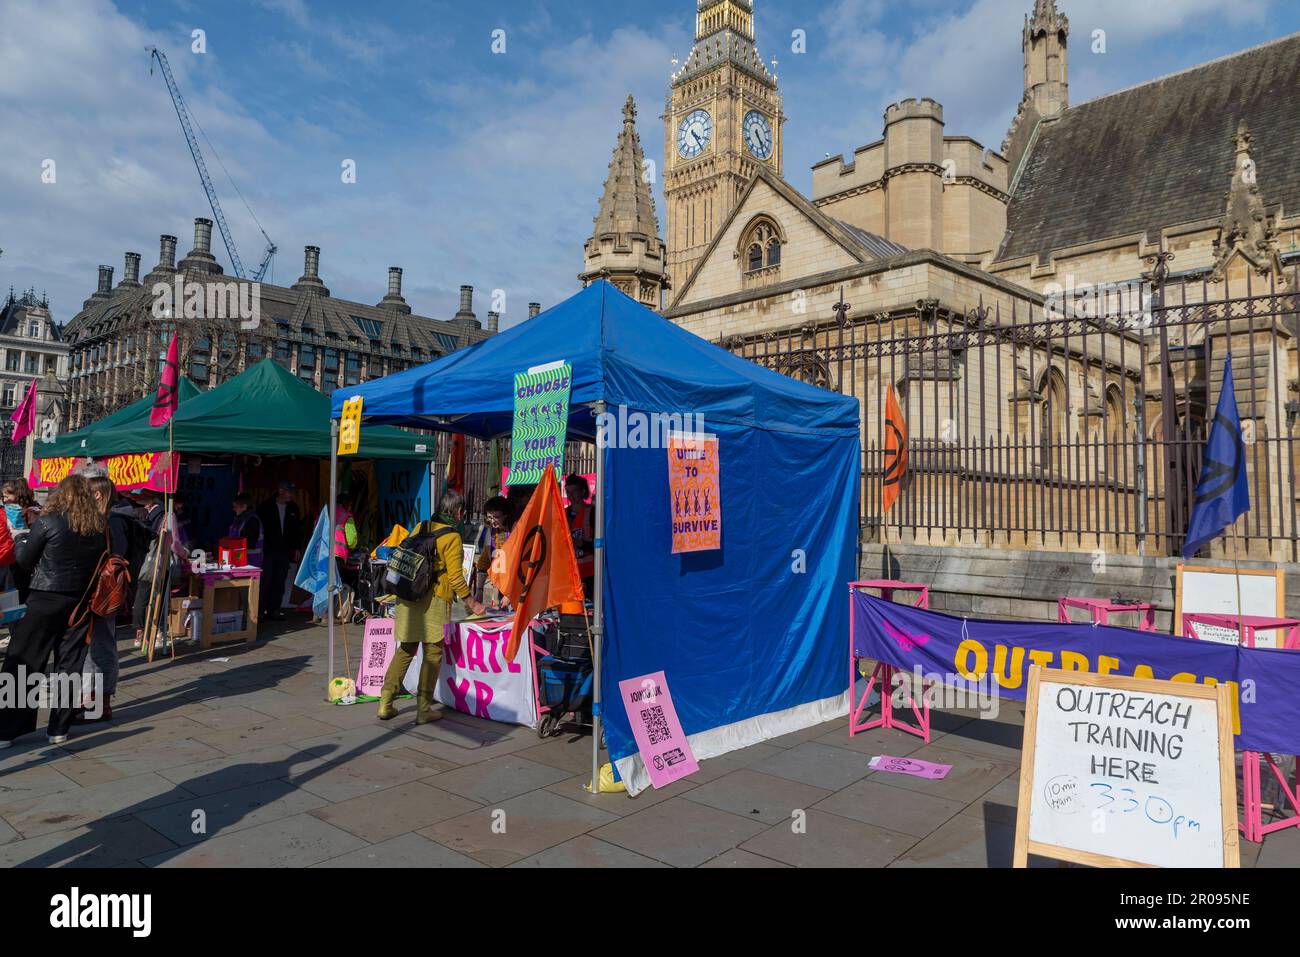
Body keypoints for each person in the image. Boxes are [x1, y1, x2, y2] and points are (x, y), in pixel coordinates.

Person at [0, 474, 107, 747]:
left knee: (23, 662)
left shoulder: (48, 522)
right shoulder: (98, 526)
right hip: (80, 602)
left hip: (45, 598)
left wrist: (22, 537)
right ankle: (59, 727)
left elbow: (24, 561)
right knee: (69, 665)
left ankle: (8, 729)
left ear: (62, 495)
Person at [377, 490, 484, 724]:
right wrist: (472, 603)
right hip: (434, 600)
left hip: (409, 596)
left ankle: (385, 702)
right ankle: (423, 709)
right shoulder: (452, 537)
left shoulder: (421, 526)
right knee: (432, 654)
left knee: (405, 649)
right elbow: (456, 578)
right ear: (458, 512)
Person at [76, 474, 130, 723]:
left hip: (103, 594)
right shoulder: (98, 520)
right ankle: (89, 700)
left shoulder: (112, 522)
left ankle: (102, 703)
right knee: (91, 648)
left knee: (103, 646)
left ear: (97, 495)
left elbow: (112, 559)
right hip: (92, 593)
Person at [257, 481, 303, 621]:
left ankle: (274, 610)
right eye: (289, 491)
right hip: (268, 550)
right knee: (265, 580)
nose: (291, 495)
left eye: (292, 492)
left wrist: (296, 548)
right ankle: (259, 611)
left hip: (284, 550)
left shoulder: (293, 508)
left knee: (279, 580)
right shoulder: (266, 506)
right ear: (280, 490)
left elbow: (297, 530)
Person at [132, 491, 167, 649]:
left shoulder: (136, 526)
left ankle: (140, 633)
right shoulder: (155, 524)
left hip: (140, 565)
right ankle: (149, 632)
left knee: (141, 598)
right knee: (150, 598)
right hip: (149, 566)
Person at [472, 496, 512, 606]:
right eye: (490, 517)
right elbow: (485, 560)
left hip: (515, 589)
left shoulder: (515, 532)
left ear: (506, 515)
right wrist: (479, 590)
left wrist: (509, 594)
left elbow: (519, 566)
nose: (492, 521)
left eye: (496, 517)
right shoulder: (491, 531)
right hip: (500, 586)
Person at [565, 474, 595, 600]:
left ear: (583, 491)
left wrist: (583, 544)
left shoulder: (592, 512)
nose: (571, 495)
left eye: (574, 491)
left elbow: (602, 544)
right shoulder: (564, 514)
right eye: (567, 492)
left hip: (591, 574)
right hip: (571, 574)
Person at [229, 493, 263, 567]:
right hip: (239, 559)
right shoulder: (239, 520)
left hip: (251, 562)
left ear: (244, 507)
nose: (234, 509)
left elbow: (250, 542)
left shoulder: (252, 520)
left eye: (236, 507)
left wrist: (229, 544)